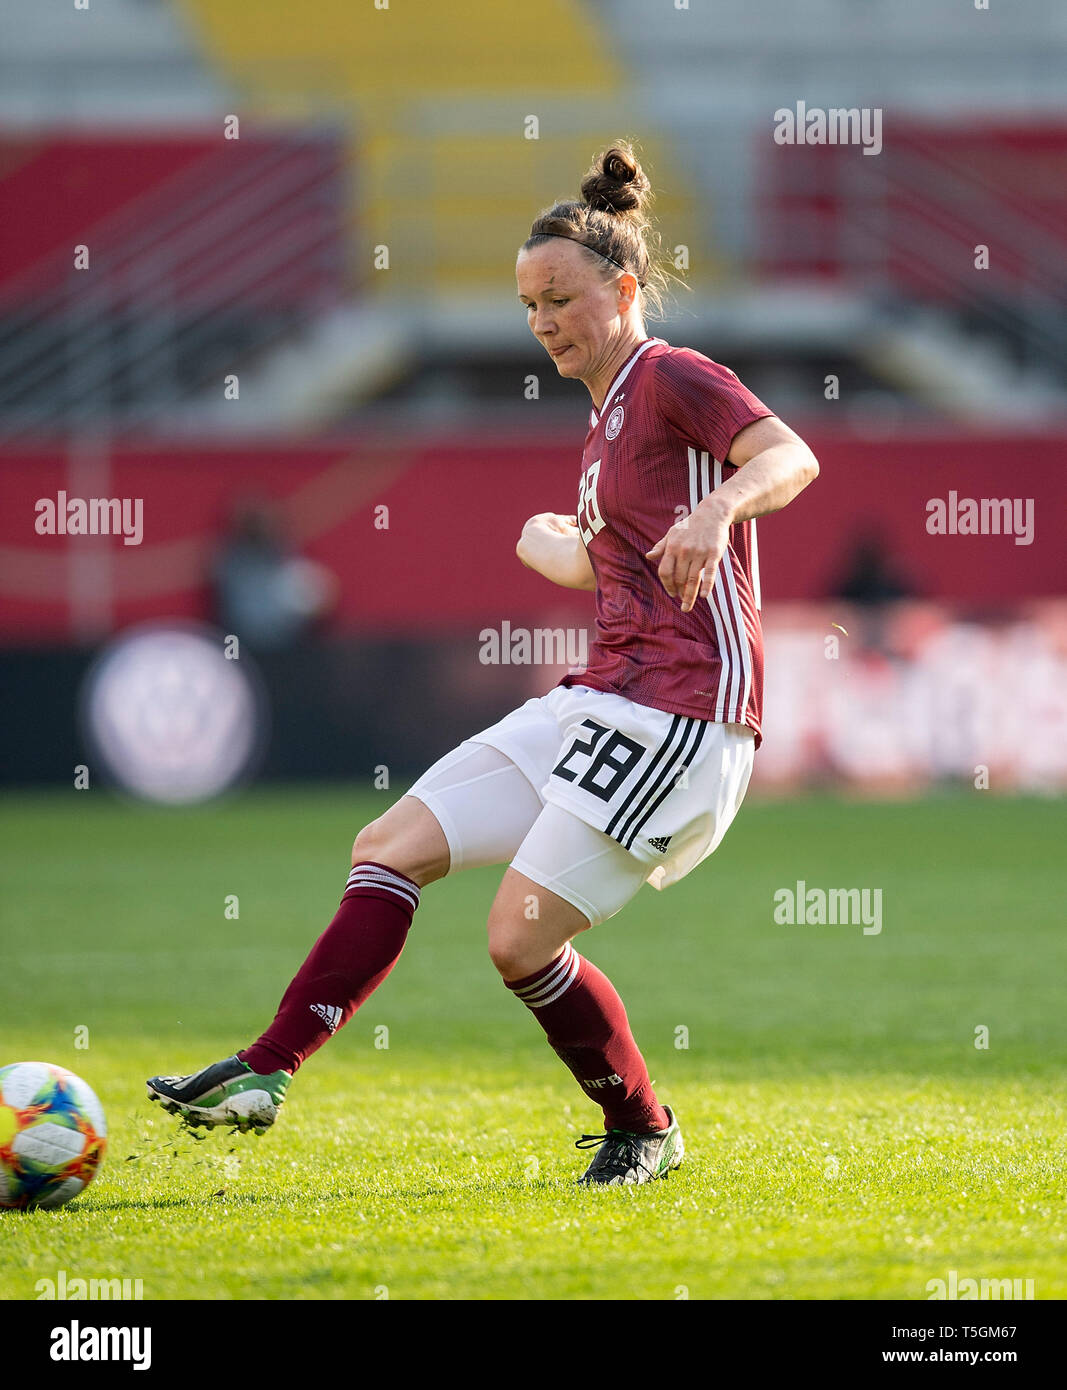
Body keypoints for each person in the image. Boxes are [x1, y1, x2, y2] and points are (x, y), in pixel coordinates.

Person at [147, 142, 819, 1186]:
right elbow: (602, 559)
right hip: (604, 697)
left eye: (559, 297)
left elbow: (789, 457)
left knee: (516, 940)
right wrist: (549, 538)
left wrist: (720, 505)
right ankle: (263, 1070)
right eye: (527, 305)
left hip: (684, 717)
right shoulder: (599, 425)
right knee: (389, 842)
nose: (543, 320)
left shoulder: (673, 377)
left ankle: (643, 1125)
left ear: (624, 288)